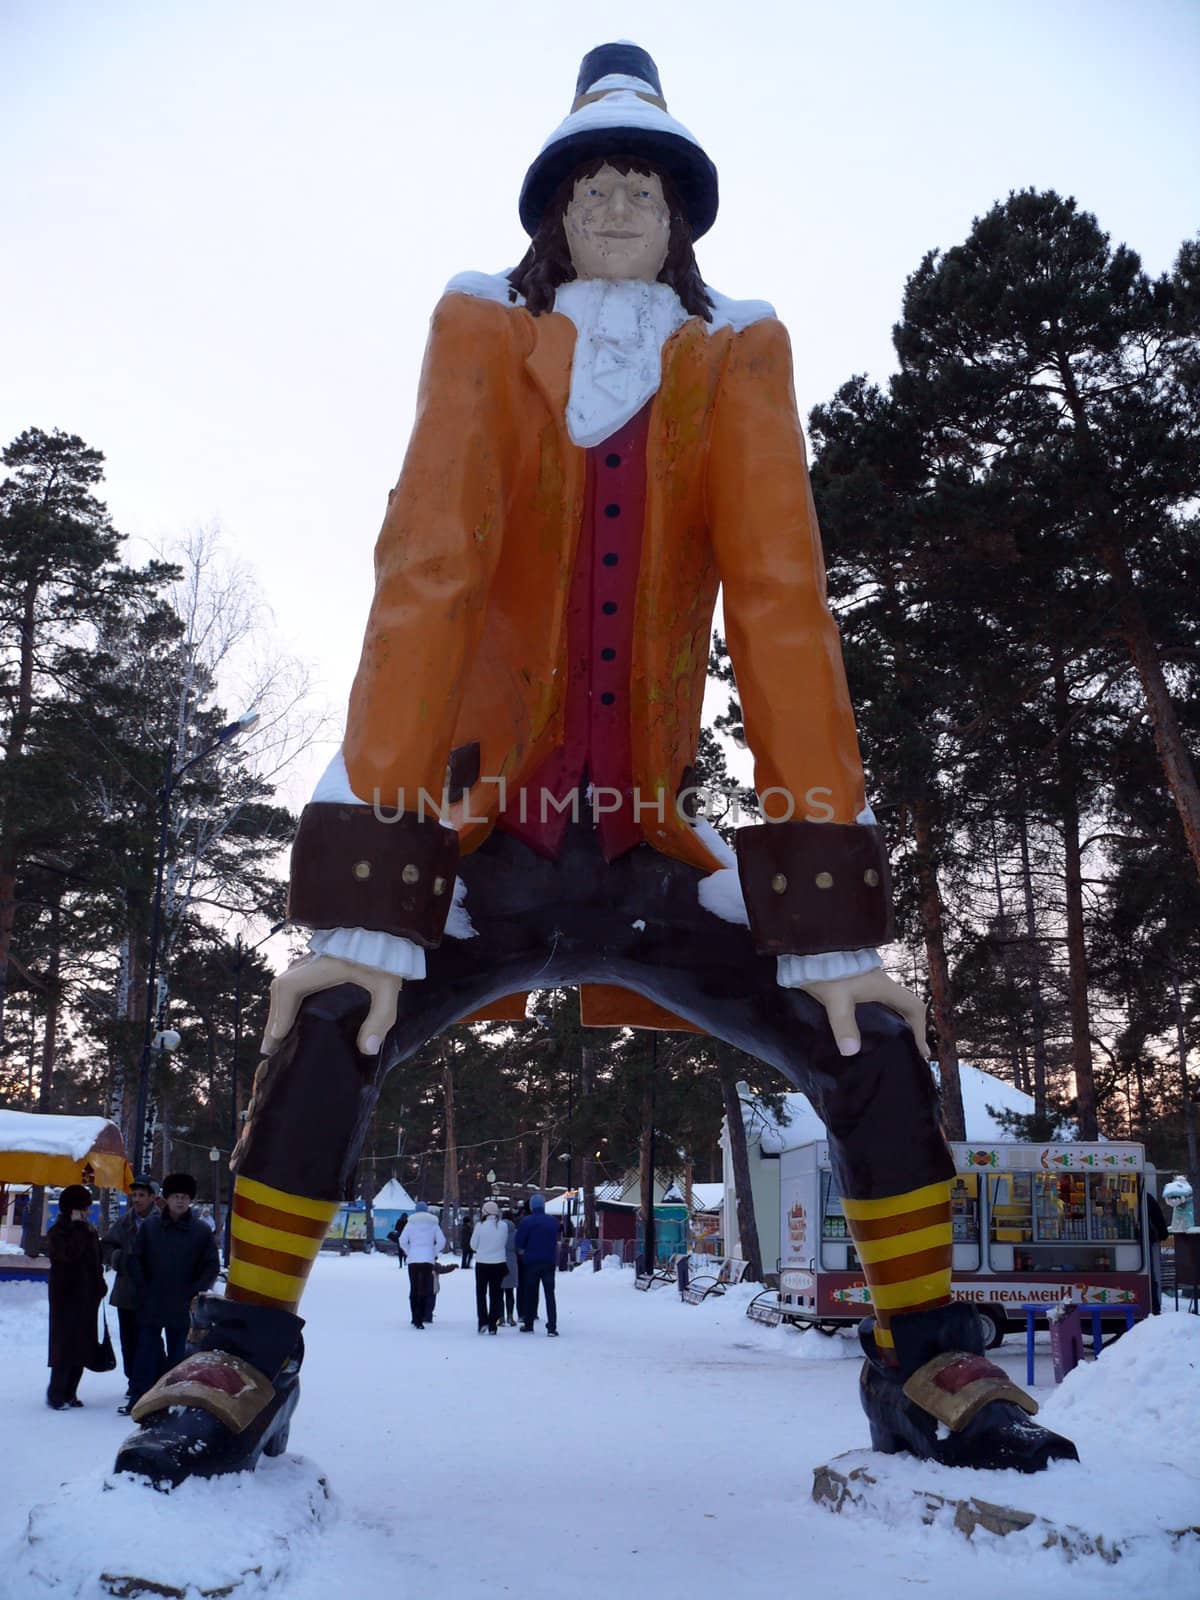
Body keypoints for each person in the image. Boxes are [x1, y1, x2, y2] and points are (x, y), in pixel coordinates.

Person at [116, 40, 1075, 1483]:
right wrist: (374, 891)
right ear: (549, 210)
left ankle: (925, 1352)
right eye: (593, 181)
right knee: (332, 1025)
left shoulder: (735, 349)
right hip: (489, 851)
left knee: (866, 1040)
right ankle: (244, 1347)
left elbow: (781, 603)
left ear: (682, 216)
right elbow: (426, 573)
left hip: (641, 857)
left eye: (645, 181)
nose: (619, 202)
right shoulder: (480, 332)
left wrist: (825, 916)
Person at [127, 1172, 220, 1406]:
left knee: (180, 1355)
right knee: (146, 1352)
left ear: (191, 1200)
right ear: (166, 1199)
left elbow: (211, 1265)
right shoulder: (150, 1227)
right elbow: (136, 1259)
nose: (180, 1201)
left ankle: (175, 1399)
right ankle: (140, 1397)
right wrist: (143, 1286)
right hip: (153, 1301)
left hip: (183, 1304)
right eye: (176, 1196)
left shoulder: (200, 1231)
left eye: (185, 1197)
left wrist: (196, 1291)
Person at [45, 1185, 105, 1409]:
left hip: (87, 1297)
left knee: (83, 1346)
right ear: (71, 1209)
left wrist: (100, 1284)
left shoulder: (89, 1230)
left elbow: (95, 1260)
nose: (87, 1212)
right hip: (65, 1297)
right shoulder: (57, 1233)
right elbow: (68, 1255)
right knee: (64, 1347)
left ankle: (71, 1391)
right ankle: (56, 1393)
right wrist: (79, 1229)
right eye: (83, 1208)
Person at [102, 1175, 157, 1411]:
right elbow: (107, 1246)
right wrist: (119, 1259)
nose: (136, 1199)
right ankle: (133, 1379)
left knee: (149, 1341)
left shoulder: (160, 1222)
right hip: (126, 1291)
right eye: (133, 1195)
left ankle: (143, 1383)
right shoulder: (124, 1223)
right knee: (128, 1341)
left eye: (141, 1195)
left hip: (153, 1293)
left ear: (152, 1197)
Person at [515, 1193, 560, 1337]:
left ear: (532, 1206)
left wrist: (523, 1252)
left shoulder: (526, 1221)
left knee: (530, 1293)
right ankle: (552, 1326)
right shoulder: (553, 1221)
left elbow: (519, 1242)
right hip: (548, 1261)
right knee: (549, 1294)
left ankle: (529, 1323)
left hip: (531, 1261)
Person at [397, 1201, 445, 1328]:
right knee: (424, 1288)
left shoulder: (410, 1223)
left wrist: (409, 1252)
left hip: (413, 1260)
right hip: (427, 1260)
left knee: (414, 1288)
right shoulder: (433, 1224)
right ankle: (422, 1317)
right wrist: (433, 1252)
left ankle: (414, 1317)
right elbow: (442, 1241)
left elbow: (402, 1240)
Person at [470, 1200, 509, 1334]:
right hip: (499, 1263)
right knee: (496, 1294)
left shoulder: (480, 1226)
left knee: (481, 1293)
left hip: (482, 1263)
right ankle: (493, 1323)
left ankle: (483, 1321)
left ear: (485, 1212)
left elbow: (473, 1245)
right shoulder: (503, 1226)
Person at [501, 1207, 519, 1326]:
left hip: (499, 1260)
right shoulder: (516, 1232)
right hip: (512, 1261)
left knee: (498, 1292)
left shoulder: (498, 1231)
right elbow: (519, 1248)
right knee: (509, 1291)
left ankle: (500, 1316)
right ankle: (510, 1316)